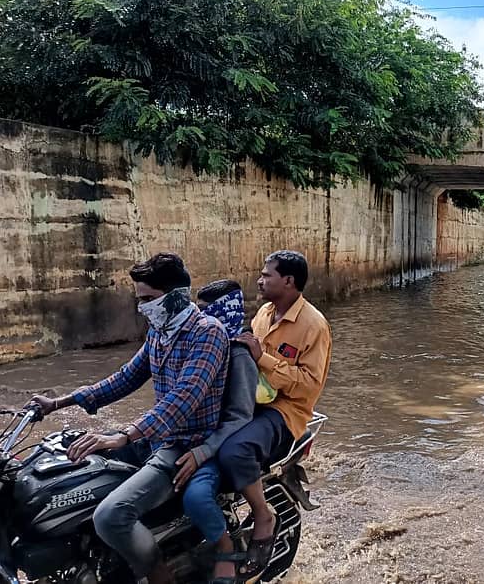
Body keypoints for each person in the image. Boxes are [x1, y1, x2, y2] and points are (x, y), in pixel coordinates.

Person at [29, 253, 229, 584]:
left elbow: (184, 399)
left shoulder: (207, 333)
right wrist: (57, 403)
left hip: (183, 445)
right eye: (139, 300)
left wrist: (124, 435)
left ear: (176, 296)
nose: (142, 308)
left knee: (110, 516)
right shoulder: (160, 332)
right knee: (66, 466)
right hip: (151, 437)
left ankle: (159, 577)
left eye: (148, 299)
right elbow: (124, 378)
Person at [219, 250, 332, 581]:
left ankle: (263, 519)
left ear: (288, 281)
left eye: (267, 274)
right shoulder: (264, 314)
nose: (260, 279)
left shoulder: (314, 325)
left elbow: (309, 387)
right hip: (251, 401)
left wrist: (262, 358)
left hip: (286, 411)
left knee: (235, 450)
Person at [173, 279, 257, 584]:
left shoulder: (239, 355)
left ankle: (226, 548)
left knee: (196, 498)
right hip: (184, 437)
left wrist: (203, 451)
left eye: (210, 311)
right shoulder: (194, 347)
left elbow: (239, 417)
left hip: (216, 445)